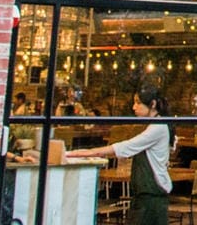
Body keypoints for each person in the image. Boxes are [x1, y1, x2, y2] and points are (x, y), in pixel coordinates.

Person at [66, 86, 174, 225]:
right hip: (145, 195)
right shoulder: (154, 125)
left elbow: (125, 147)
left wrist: (84, 153)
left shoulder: (158, 127)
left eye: (138, 103)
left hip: (151, 196)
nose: (134, 107)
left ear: (152, 104)